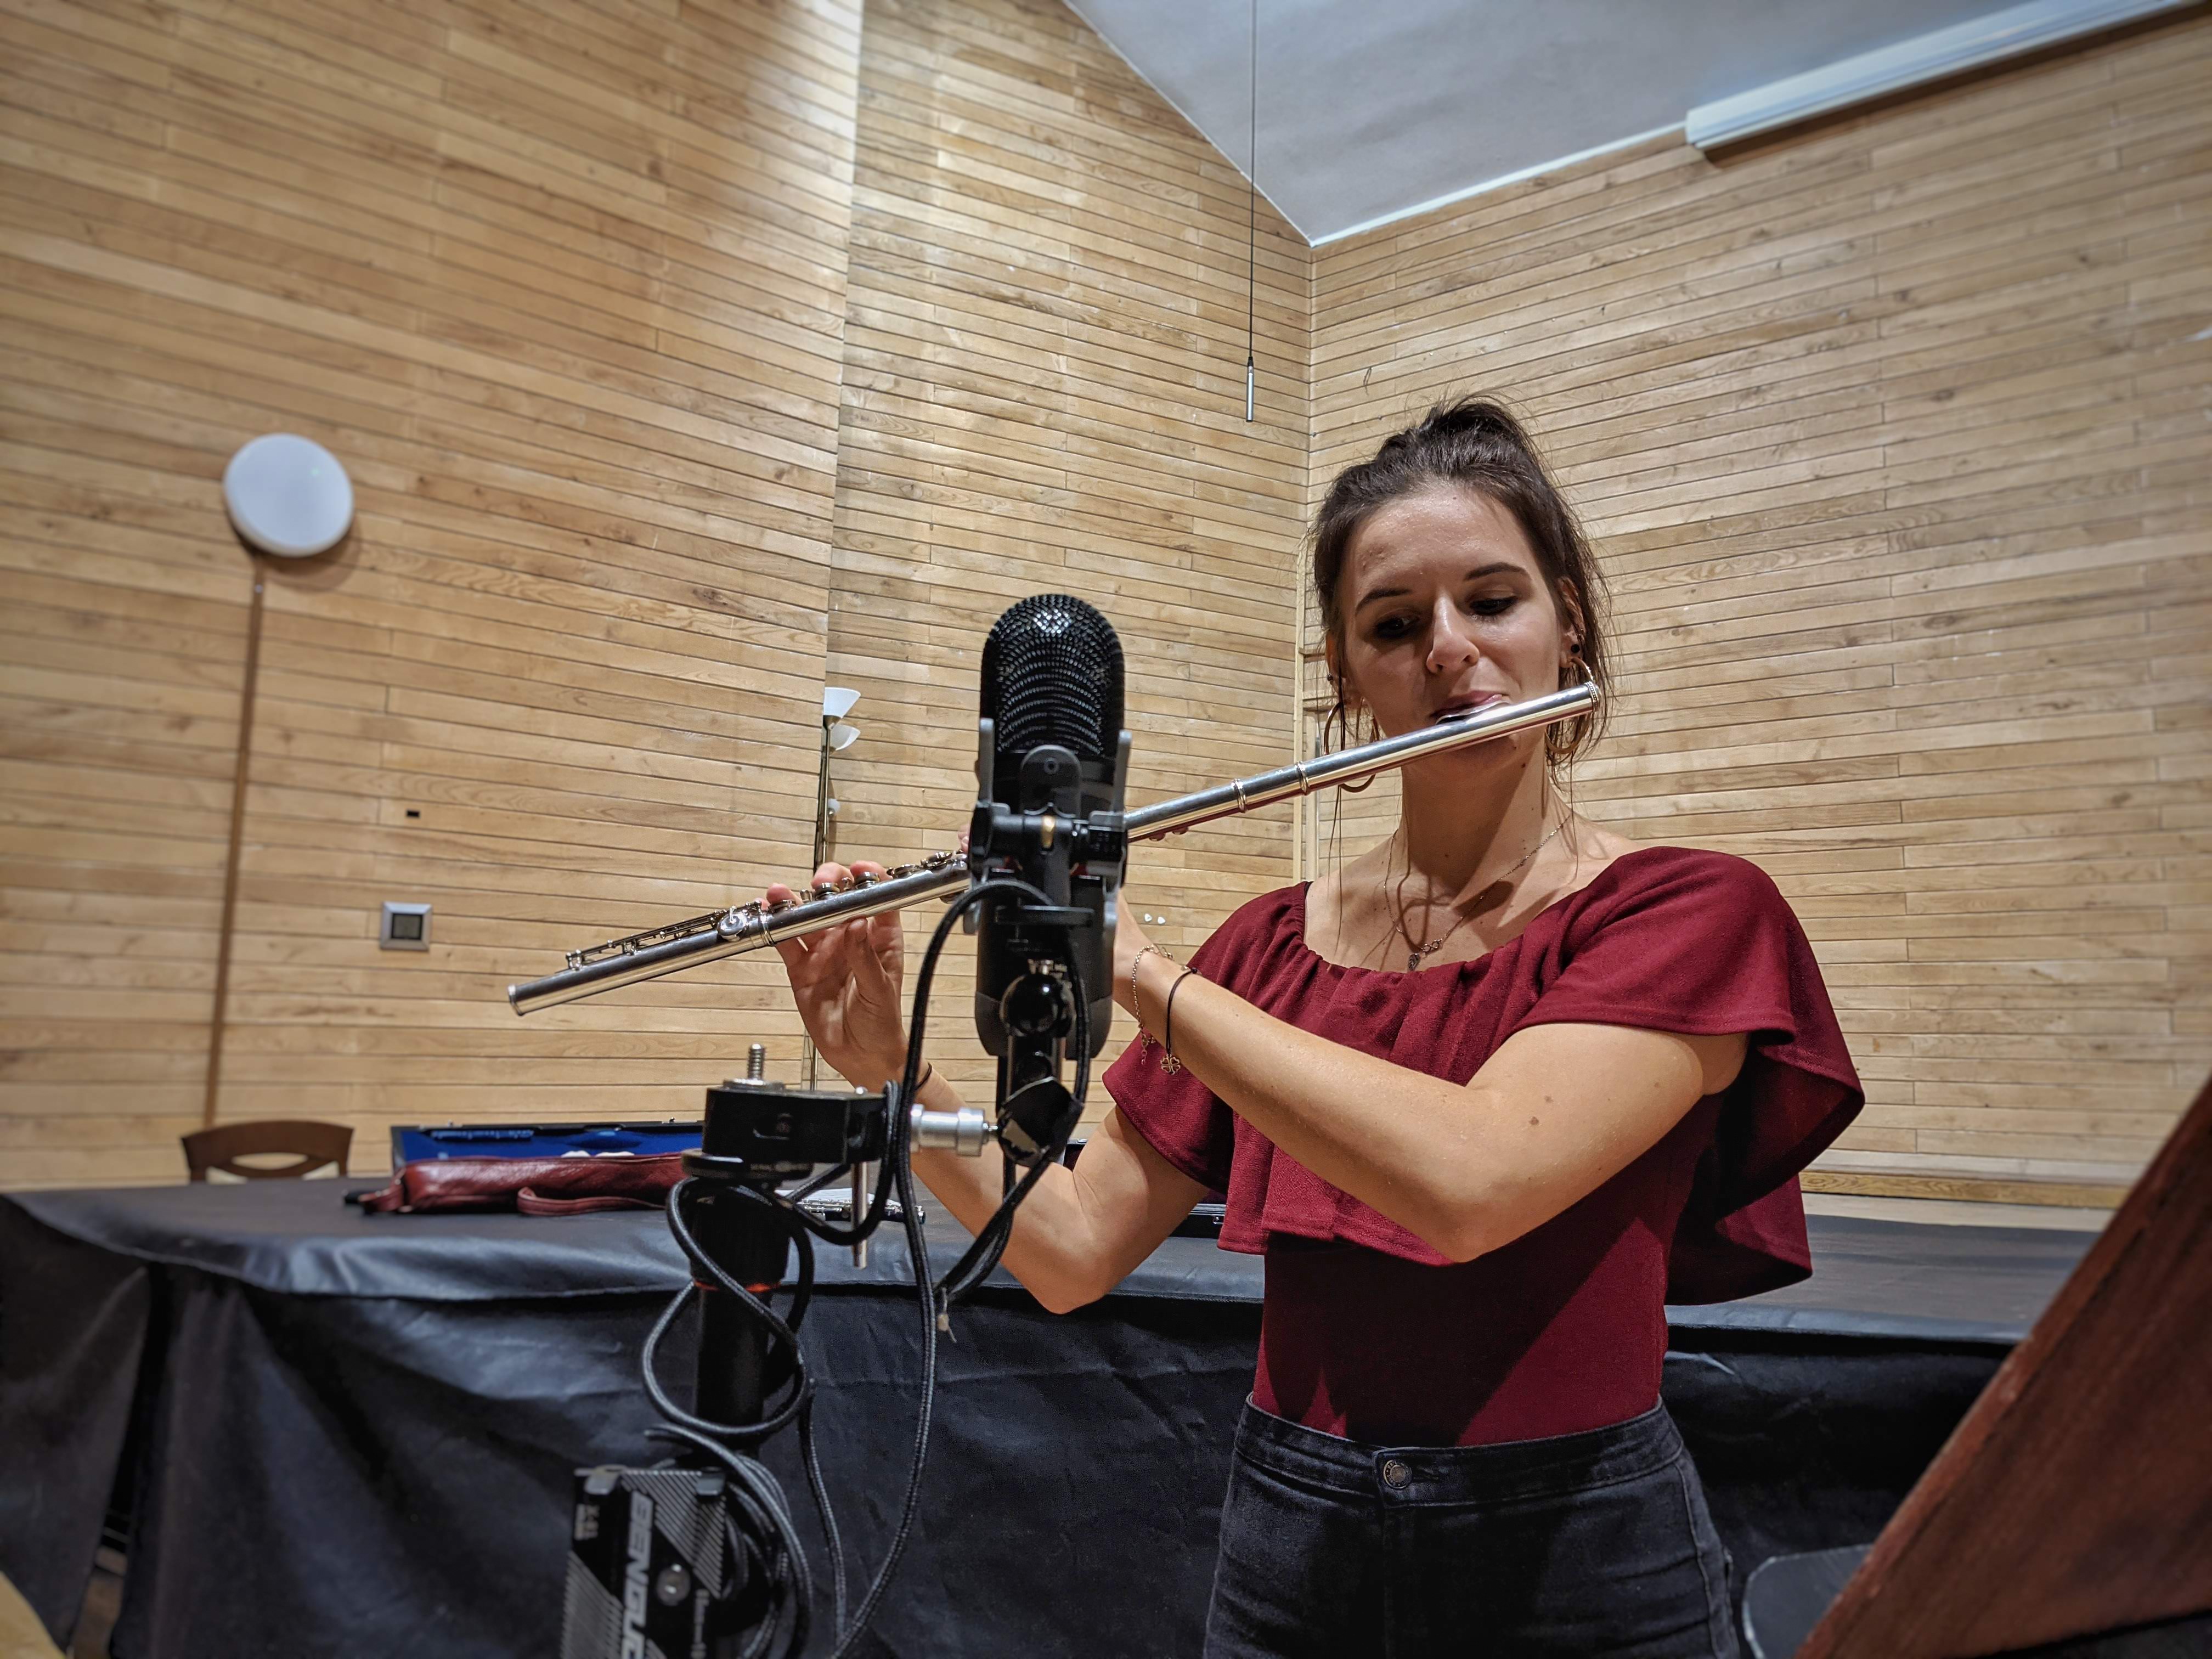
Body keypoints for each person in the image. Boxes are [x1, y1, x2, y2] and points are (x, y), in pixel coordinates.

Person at [765, 398, 1863, 1658]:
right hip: (1297, 1551)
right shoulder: (1266, 951)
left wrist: (1140, 972)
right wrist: (896, 1073)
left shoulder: (1684, 911)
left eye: (1492, 601)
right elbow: (1071, 1252)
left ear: (1567, 624)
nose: (1449, 649)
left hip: (1579, 1559)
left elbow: (1471, 1182)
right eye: (1394, 625)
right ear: (1347, 673)